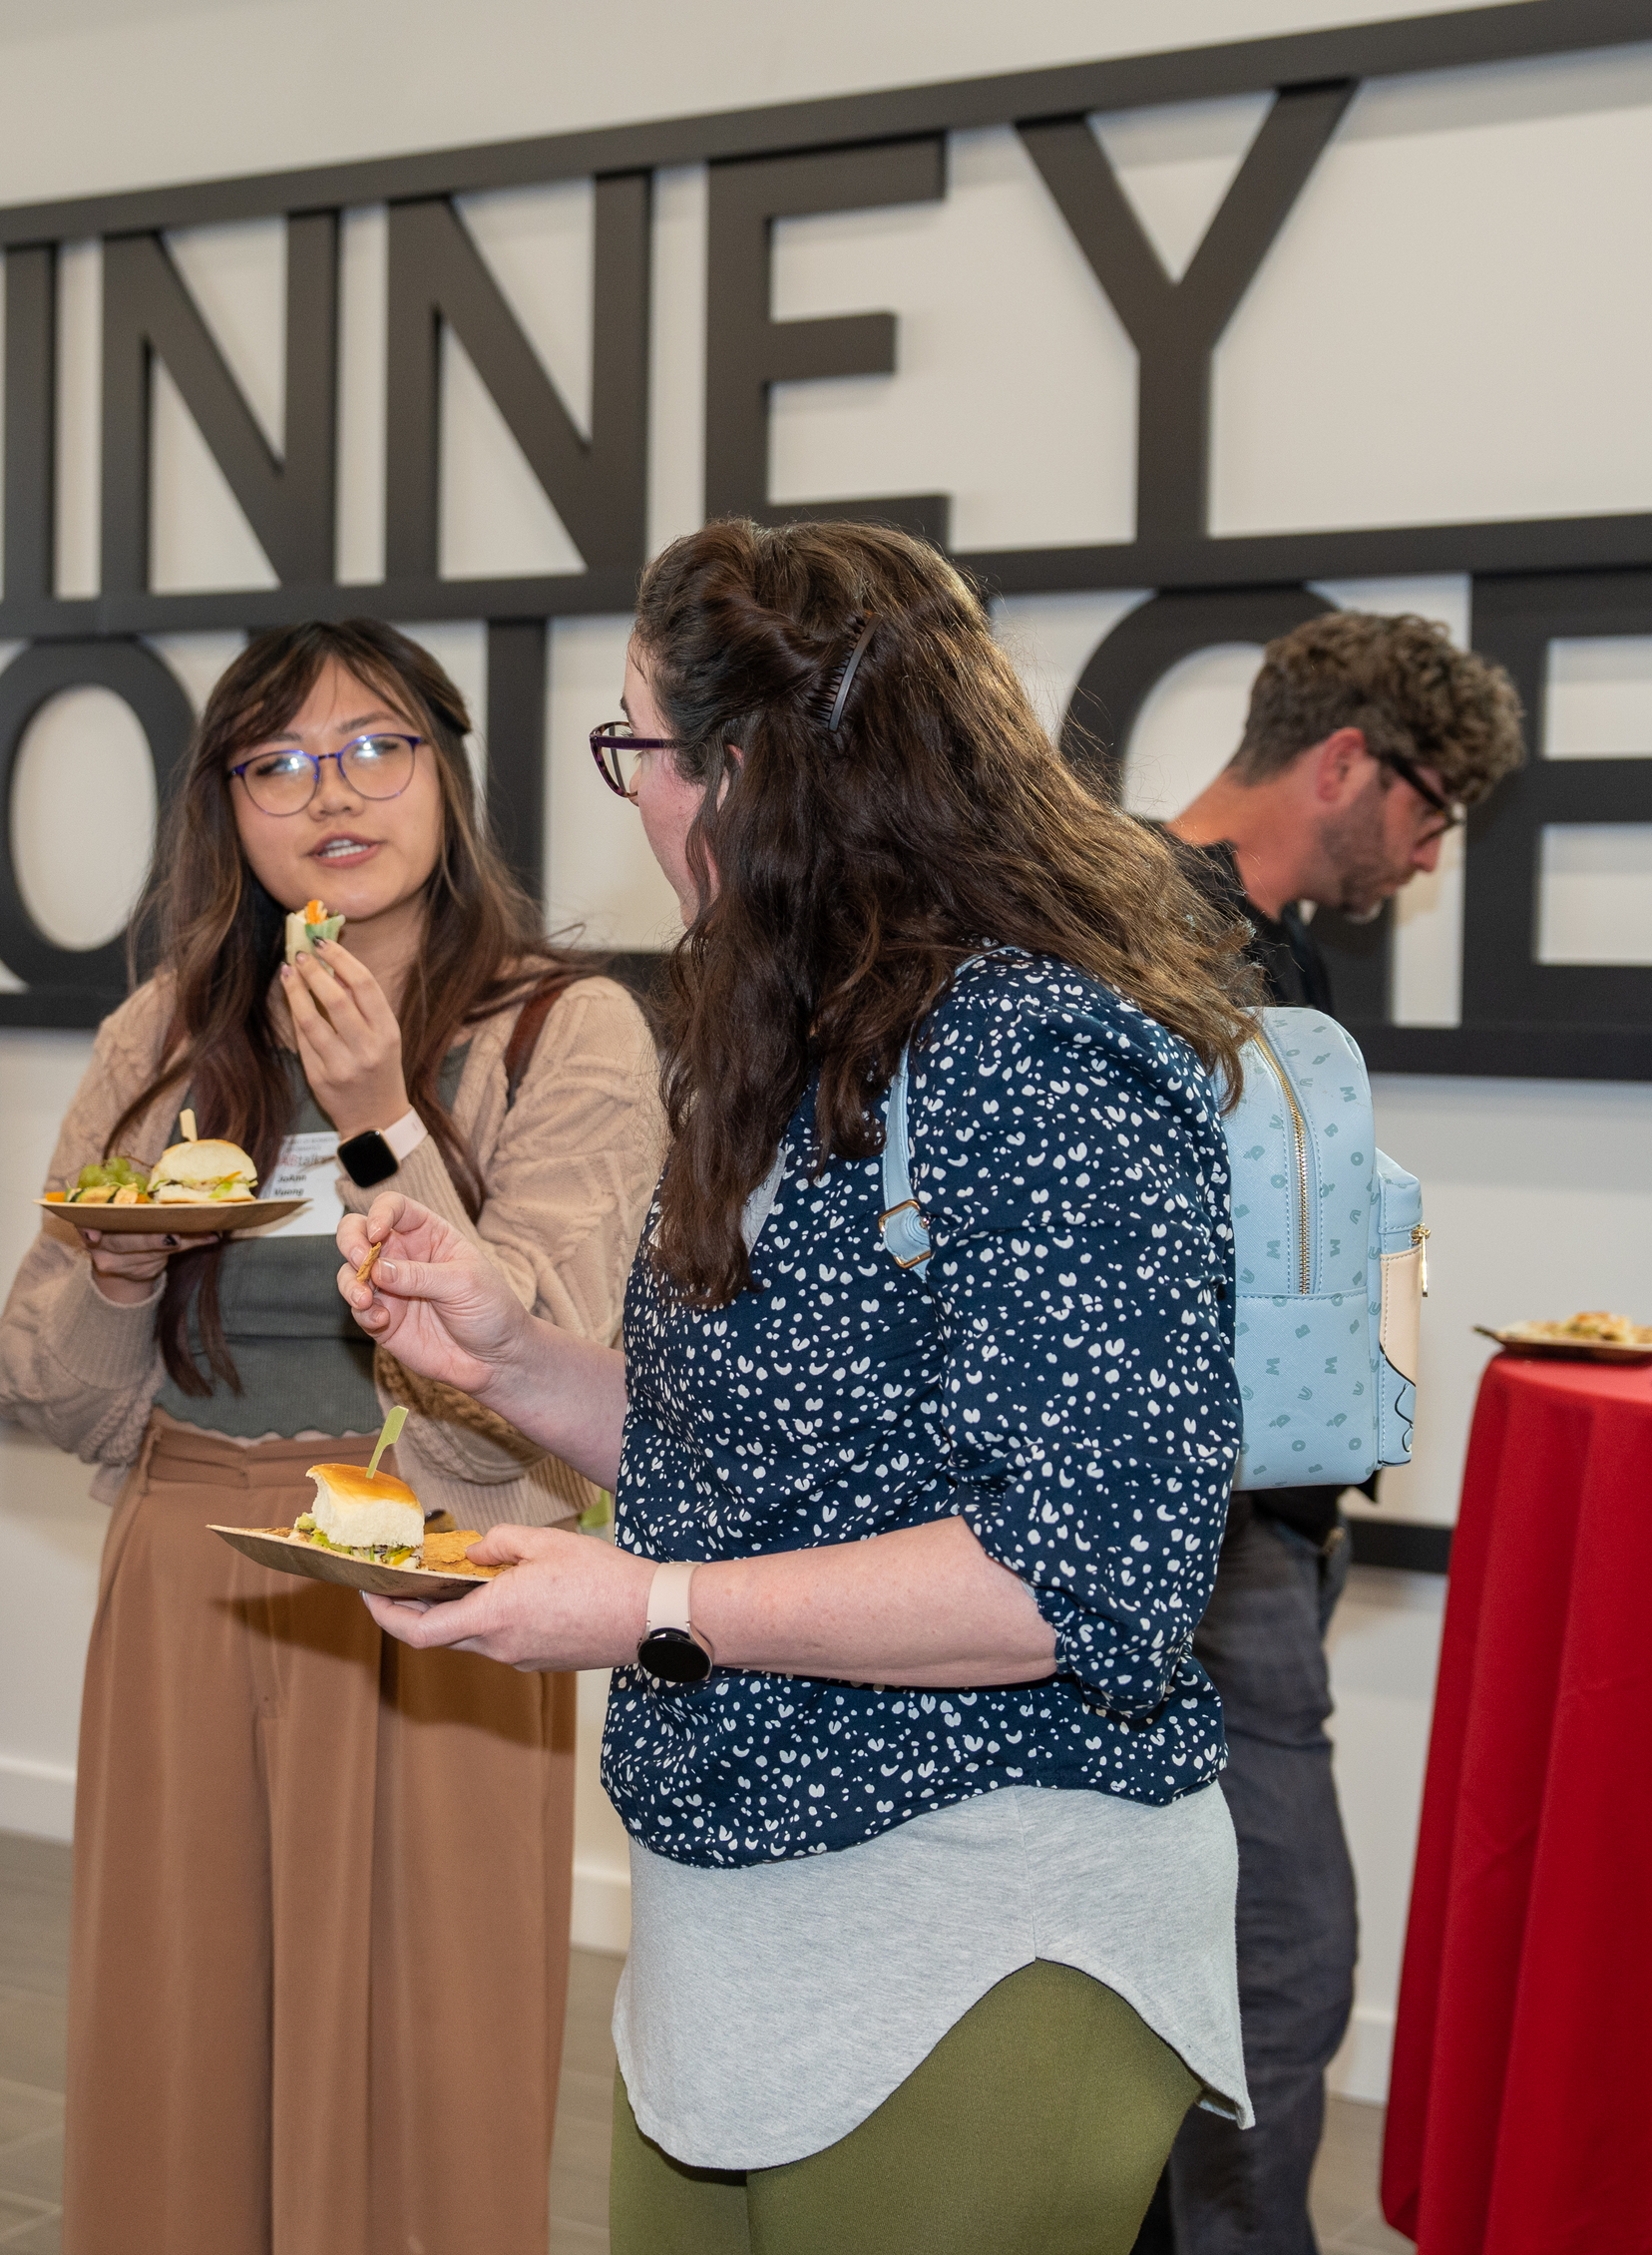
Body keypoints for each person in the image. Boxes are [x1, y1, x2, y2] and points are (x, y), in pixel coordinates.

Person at [340, 519, 1258, 2254]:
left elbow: (1078, 1583)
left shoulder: (1035, 1054)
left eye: (639, 749)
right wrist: (514, 1361)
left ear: (749, 769)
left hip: (981, 1912)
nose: (629, 796)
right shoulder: (797, 1036)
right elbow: (754, 1457)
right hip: (739, 1898)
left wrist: (649, 1606)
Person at [0, 619, 662, 2255]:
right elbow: (46, 1390)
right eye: (275, 764)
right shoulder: (162, 1032)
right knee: (177, 2035)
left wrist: (376, 1124)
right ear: (226, 809)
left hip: (438, 1569)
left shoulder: (564, 1031)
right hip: (184, 1557)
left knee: (430, 2050)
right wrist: (112, 1263)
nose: (329, 793)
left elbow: (529, 1374)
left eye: (374, 746)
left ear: (447, 770)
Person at [1145, 612, 1523, 2255]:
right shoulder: (1152, 932)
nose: (1430, 856)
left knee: (1223, 1977)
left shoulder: (1251, 943)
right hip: (1202, 1535)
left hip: (1254, 1524)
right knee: (1275, 1973)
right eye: (1432, 811)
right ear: (1345, 761)